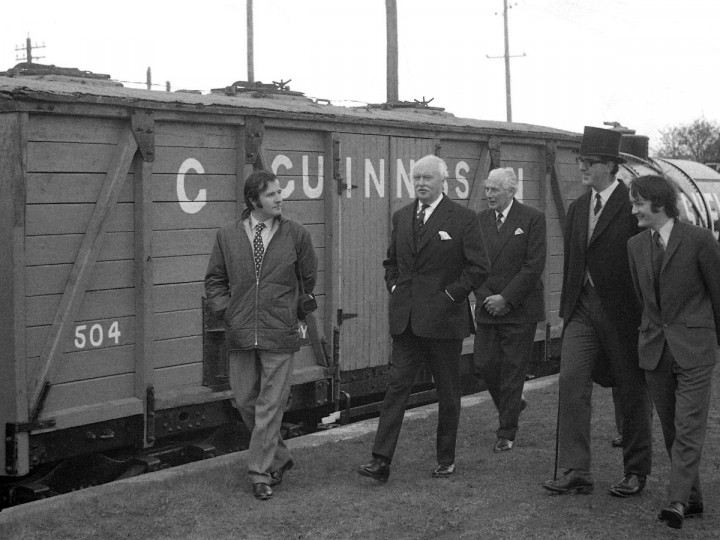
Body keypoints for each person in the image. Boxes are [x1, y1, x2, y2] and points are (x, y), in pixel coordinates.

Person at [357, 154, 489, 482]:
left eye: (427, 178)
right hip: (406, 321)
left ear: (443, 181)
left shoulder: (462, 219)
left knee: (447, 391)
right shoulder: (402, 217)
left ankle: (446, 459)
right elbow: (391, 262)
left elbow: (478, 267)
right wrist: (394, 286)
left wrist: (450, 296)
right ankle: (380, 460)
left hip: (444, 321)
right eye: (416, 178)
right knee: (396, 387)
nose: (420, 184)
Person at [543, 126, 652, 497]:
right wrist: (567, 308)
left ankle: (636, 471)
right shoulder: (576, 209)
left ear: (610, 166)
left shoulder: (634, 205)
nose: (581, 168)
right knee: (571, 382)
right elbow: (574, 262)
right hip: (582, 310)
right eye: (580, 161)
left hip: (625, 313)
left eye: (588, 162)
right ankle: (576, 469)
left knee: (631, 389)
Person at [205, 170, 317, 501]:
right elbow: (214, 280)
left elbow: (307, 279)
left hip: (279, 331)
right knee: (244, 401)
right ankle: (281, 457)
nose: (279, 198)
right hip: (240, 331)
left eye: (280, 192)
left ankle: (259, 472)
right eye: (271, 195)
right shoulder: (227, 235)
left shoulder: (297, 234)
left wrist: (286, 307)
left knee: (271, 403)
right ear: (254, 201)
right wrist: (227, 310)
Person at [627, 174, 720, 529]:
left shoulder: (698, 240)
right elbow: (643, 299)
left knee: (688, 425)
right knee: (671, 429)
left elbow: (718, 292)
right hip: (655, 350)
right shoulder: (635, 245)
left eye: (638, 203)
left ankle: (677, 501)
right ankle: (693, 497)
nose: (633, 209)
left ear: (659, 204)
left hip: (695, 348)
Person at [473, 167, 546, 452]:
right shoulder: (478, 221)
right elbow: (473, 262)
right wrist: (487, 297)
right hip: (487, 306)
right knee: (484, 364)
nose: (488, 194)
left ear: (511, 191)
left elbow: (533, 265)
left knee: (513, 369)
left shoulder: (532, 219)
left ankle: (506, 432)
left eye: (494, 190)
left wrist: (506, 298)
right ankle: (513, 404)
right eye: (487, 189)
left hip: (520, 307)